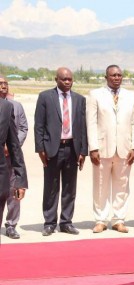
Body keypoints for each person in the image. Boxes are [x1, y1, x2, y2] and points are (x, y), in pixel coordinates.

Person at [87, 65, 134, 234]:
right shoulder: (95, 95)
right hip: (102, 148)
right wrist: (93, 147)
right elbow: (91, 122)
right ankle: (101, 219)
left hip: (124, 149)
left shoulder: (130, 96)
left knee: (122, 186)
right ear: (106, 77)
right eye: (113, 75)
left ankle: (118, 219)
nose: (117, 78)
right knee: (101, 185)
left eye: (119, 75)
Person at [34, 67, 87, 236]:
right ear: (56, 79)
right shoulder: (45, 97)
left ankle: (66, 222)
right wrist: (40, 148)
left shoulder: (79, 99)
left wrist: (83, 151)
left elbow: (82, 127)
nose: (67, 82)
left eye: (70, 79)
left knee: (69, 188)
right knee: (51, 186)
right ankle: (49, 222)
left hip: (72, 148)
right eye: (64, 79)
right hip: (52, 148)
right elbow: (39, 125)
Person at [0, 76, 28, 239]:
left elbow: (15, 142)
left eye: (5, 83)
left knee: (9, 194)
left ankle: (11, 224)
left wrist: (21, 180)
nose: (3, 86)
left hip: (5, 161)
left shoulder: (8, 107)